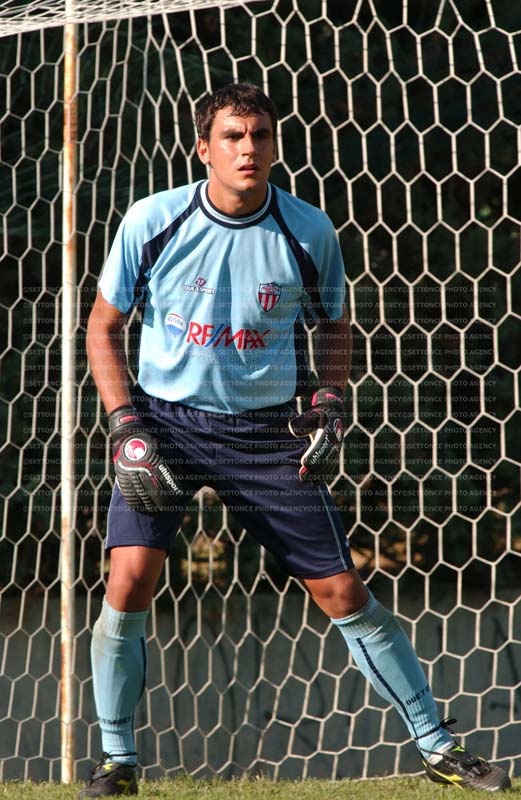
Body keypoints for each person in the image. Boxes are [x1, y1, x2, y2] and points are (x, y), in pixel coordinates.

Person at [80, 83, 510, 796]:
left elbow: (335, 324)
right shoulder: (152, 219)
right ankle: (116, 762)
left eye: (260, 135)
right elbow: (103, 326)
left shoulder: (308, 230)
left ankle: (438, 748)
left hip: (265, 433)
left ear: (274, 145)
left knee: (343, 590)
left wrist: (330, 400)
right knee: (127, 581)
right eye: (232, 136)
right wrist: (125, 424)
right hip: (164, 426)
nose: (247, 148)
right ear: (203, 148)